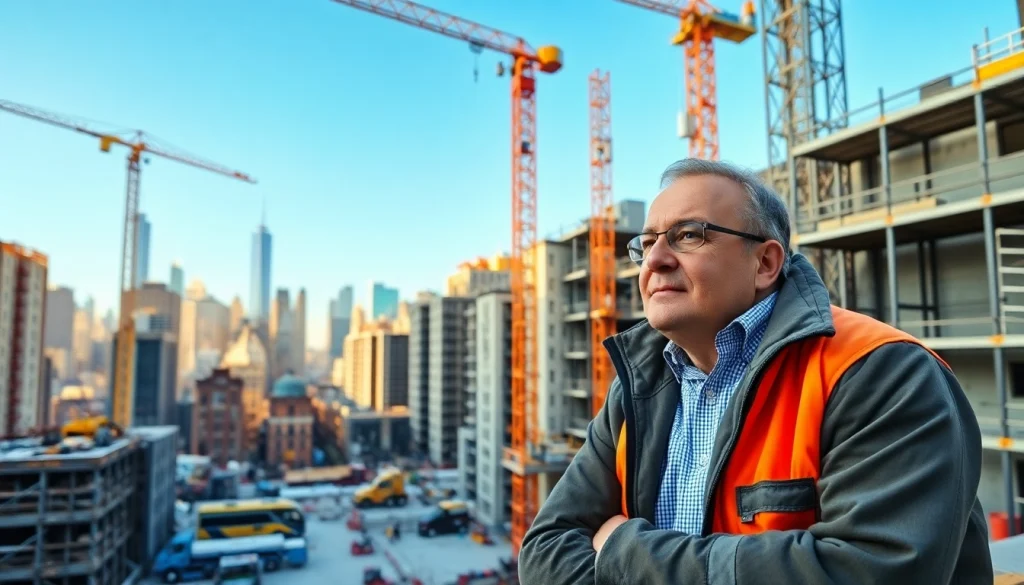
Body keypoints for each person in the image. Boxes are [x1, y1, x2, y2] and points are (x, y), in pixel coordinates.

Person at [518, 159, 992, 584]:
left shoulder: (878, 371)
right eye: (646, 244)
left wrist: (624, 554)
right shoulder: (637, 386)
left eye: (688, 235)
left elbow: (874, 569)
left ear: (765, 262)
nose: (656, 260)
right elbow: (544, 551)